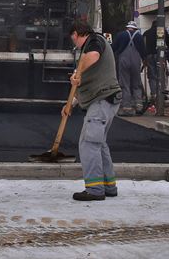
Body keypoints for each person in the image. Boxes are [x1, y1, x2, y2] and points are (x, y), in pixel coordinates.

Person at [63, 20, 121, 201]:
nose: (75, 44)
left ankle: (95, 189)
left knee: (89, 143)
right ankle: (108, 186)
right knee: (99, 143)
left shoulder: (95, 42)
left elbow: (94, 55)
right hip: (106, 100)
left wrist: (77, 73)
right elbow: (89, 82)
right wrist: (70, 104)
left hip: (102, 101)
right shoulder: (90, 47)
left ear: (76, 34)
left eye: (74, 40)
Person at [111, 21, 147, 116]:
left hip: (123, 61)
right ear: (135, 28)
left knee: (124, 83)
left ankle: (126, 107)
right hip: (136, 61)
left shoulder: (121, 35)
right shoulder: (139, 36)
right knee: (136, 83)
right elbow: (143, 51)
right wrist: (145, 61)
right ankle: (139, 105)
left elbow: (113, 48)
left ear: (127, 28)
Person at [143, 20, 169, 101]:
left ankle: (153, 94)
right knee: (161, 75)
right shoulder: (160, 31)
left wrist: (144, 58)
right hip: (159, 55)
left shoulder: (146, 33)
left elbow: (143, 45)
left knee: (151, 75)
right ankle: (160, 93)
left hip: (149, 56)